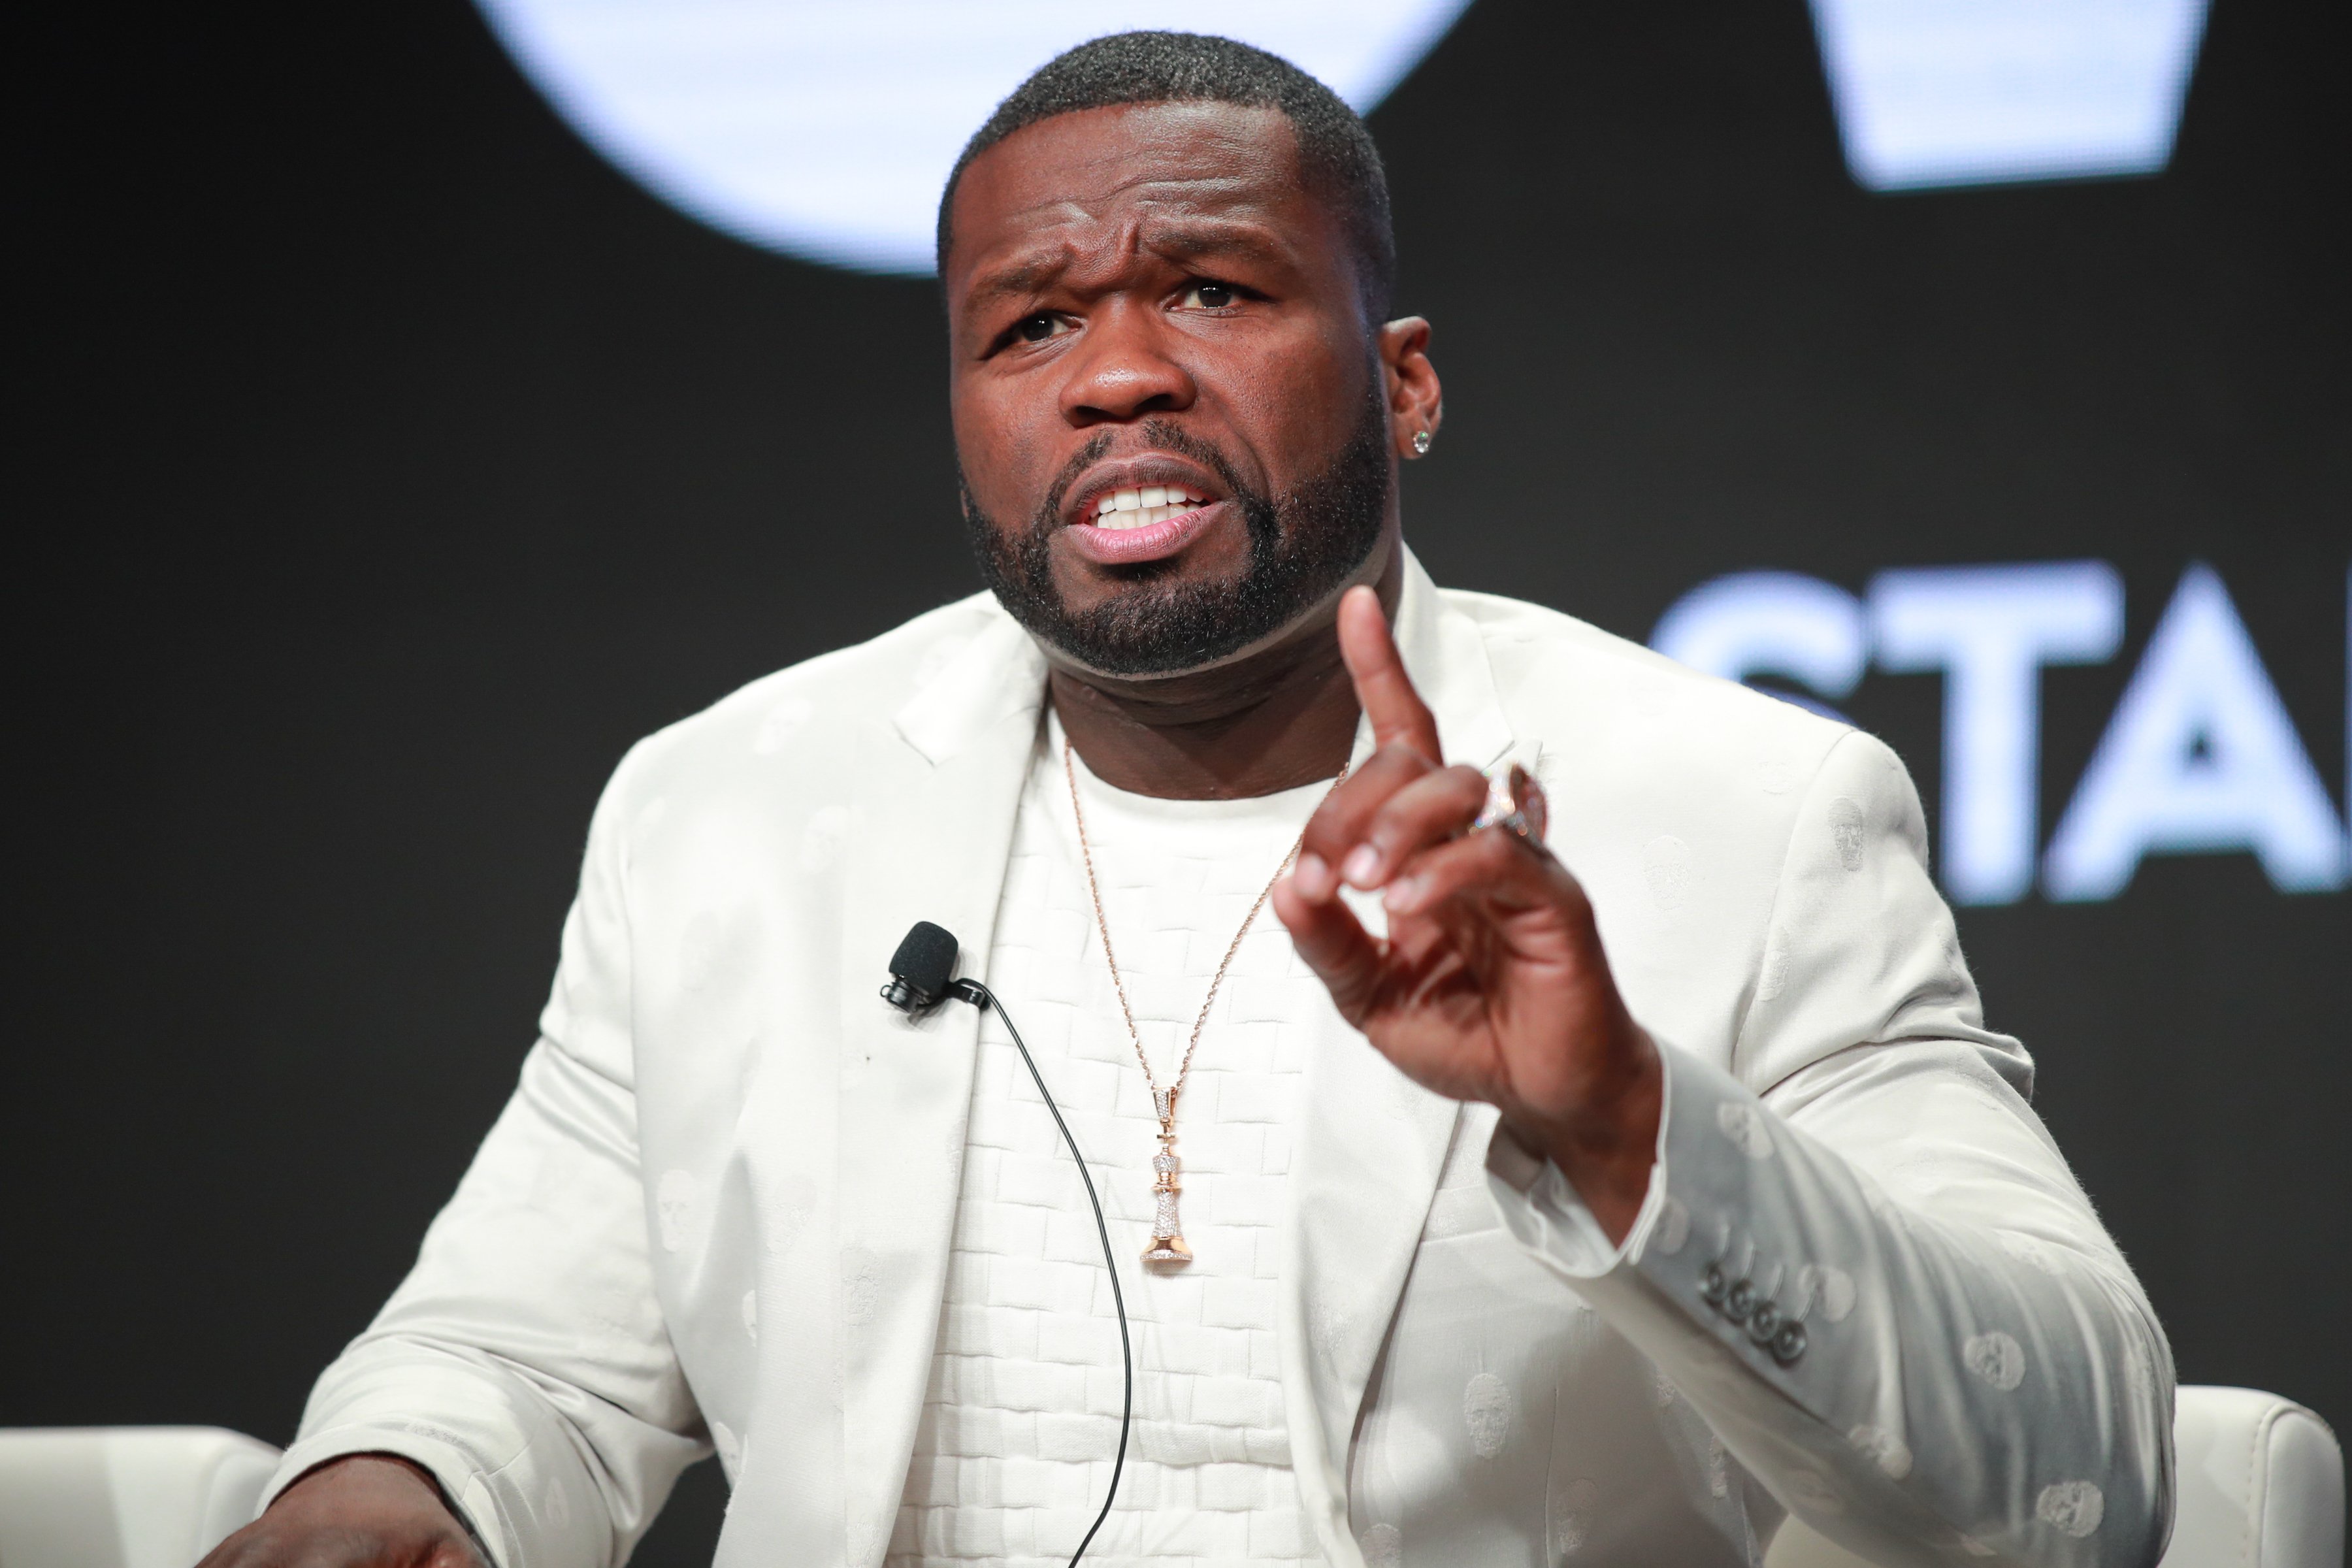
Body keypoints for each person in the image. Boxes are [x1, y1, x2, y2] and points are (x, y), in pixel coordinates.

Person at [203, 31, 2173, 1568]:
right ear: (966, 422)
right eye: (1031, 325)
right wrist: (398, 1484)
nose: (1116, 377)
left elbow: (2081, 1487)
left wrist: (1627, 1124)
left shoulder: (1737, 811)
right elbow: (525, 1354)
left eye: (1214, 291)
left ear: (1402, 383)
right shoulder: (730, 812)